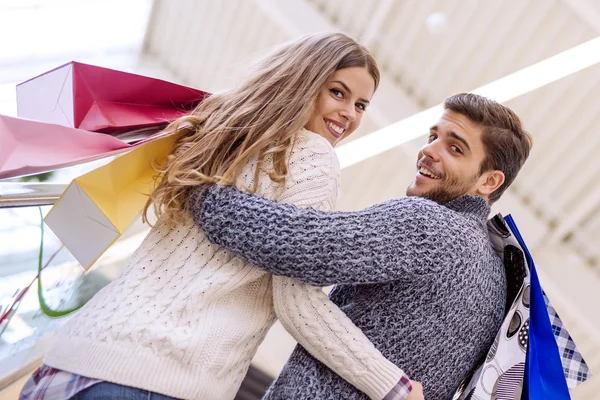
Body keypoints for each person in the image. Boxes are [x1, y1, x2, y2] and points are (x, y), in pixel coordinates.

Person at [20, 33, 423, 400]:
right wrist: (392, 386)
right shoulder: (313, 155)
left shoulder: (213, 139)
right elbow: (295, 298)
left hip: (68, 364)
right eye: (338, 93)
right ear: (304, 82)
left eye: (361, 105)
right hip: (161, 378)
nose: (349, 114)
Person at [192, 93, 533, 399]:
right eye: (433, 137)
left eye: (455, 148)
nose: (429, 151)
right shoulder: (498, 280)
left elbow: (301, 244)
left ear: (489, 181)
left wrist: (198, 187)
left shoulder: (429, 224)